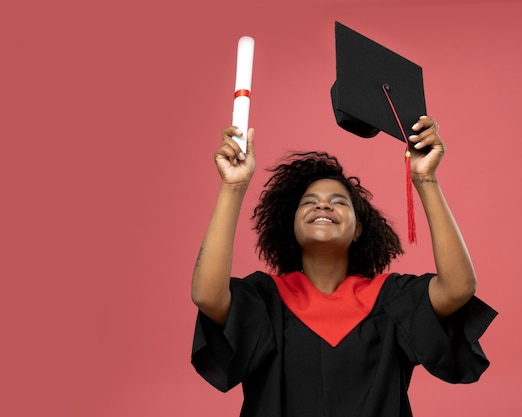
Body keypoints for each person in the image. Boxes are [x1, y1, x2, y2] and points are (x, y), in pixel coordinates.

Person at [190, 117, 497, 417]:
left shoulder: (390, 301)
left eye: (339, 202)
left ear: (358, 229)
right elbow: (207, 295)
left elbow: (458, 287)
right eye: (309, 202)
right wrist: (233, 187)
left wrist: (425, 178)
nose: (323, 205)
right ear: (292, 226)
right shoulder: (266, 299)